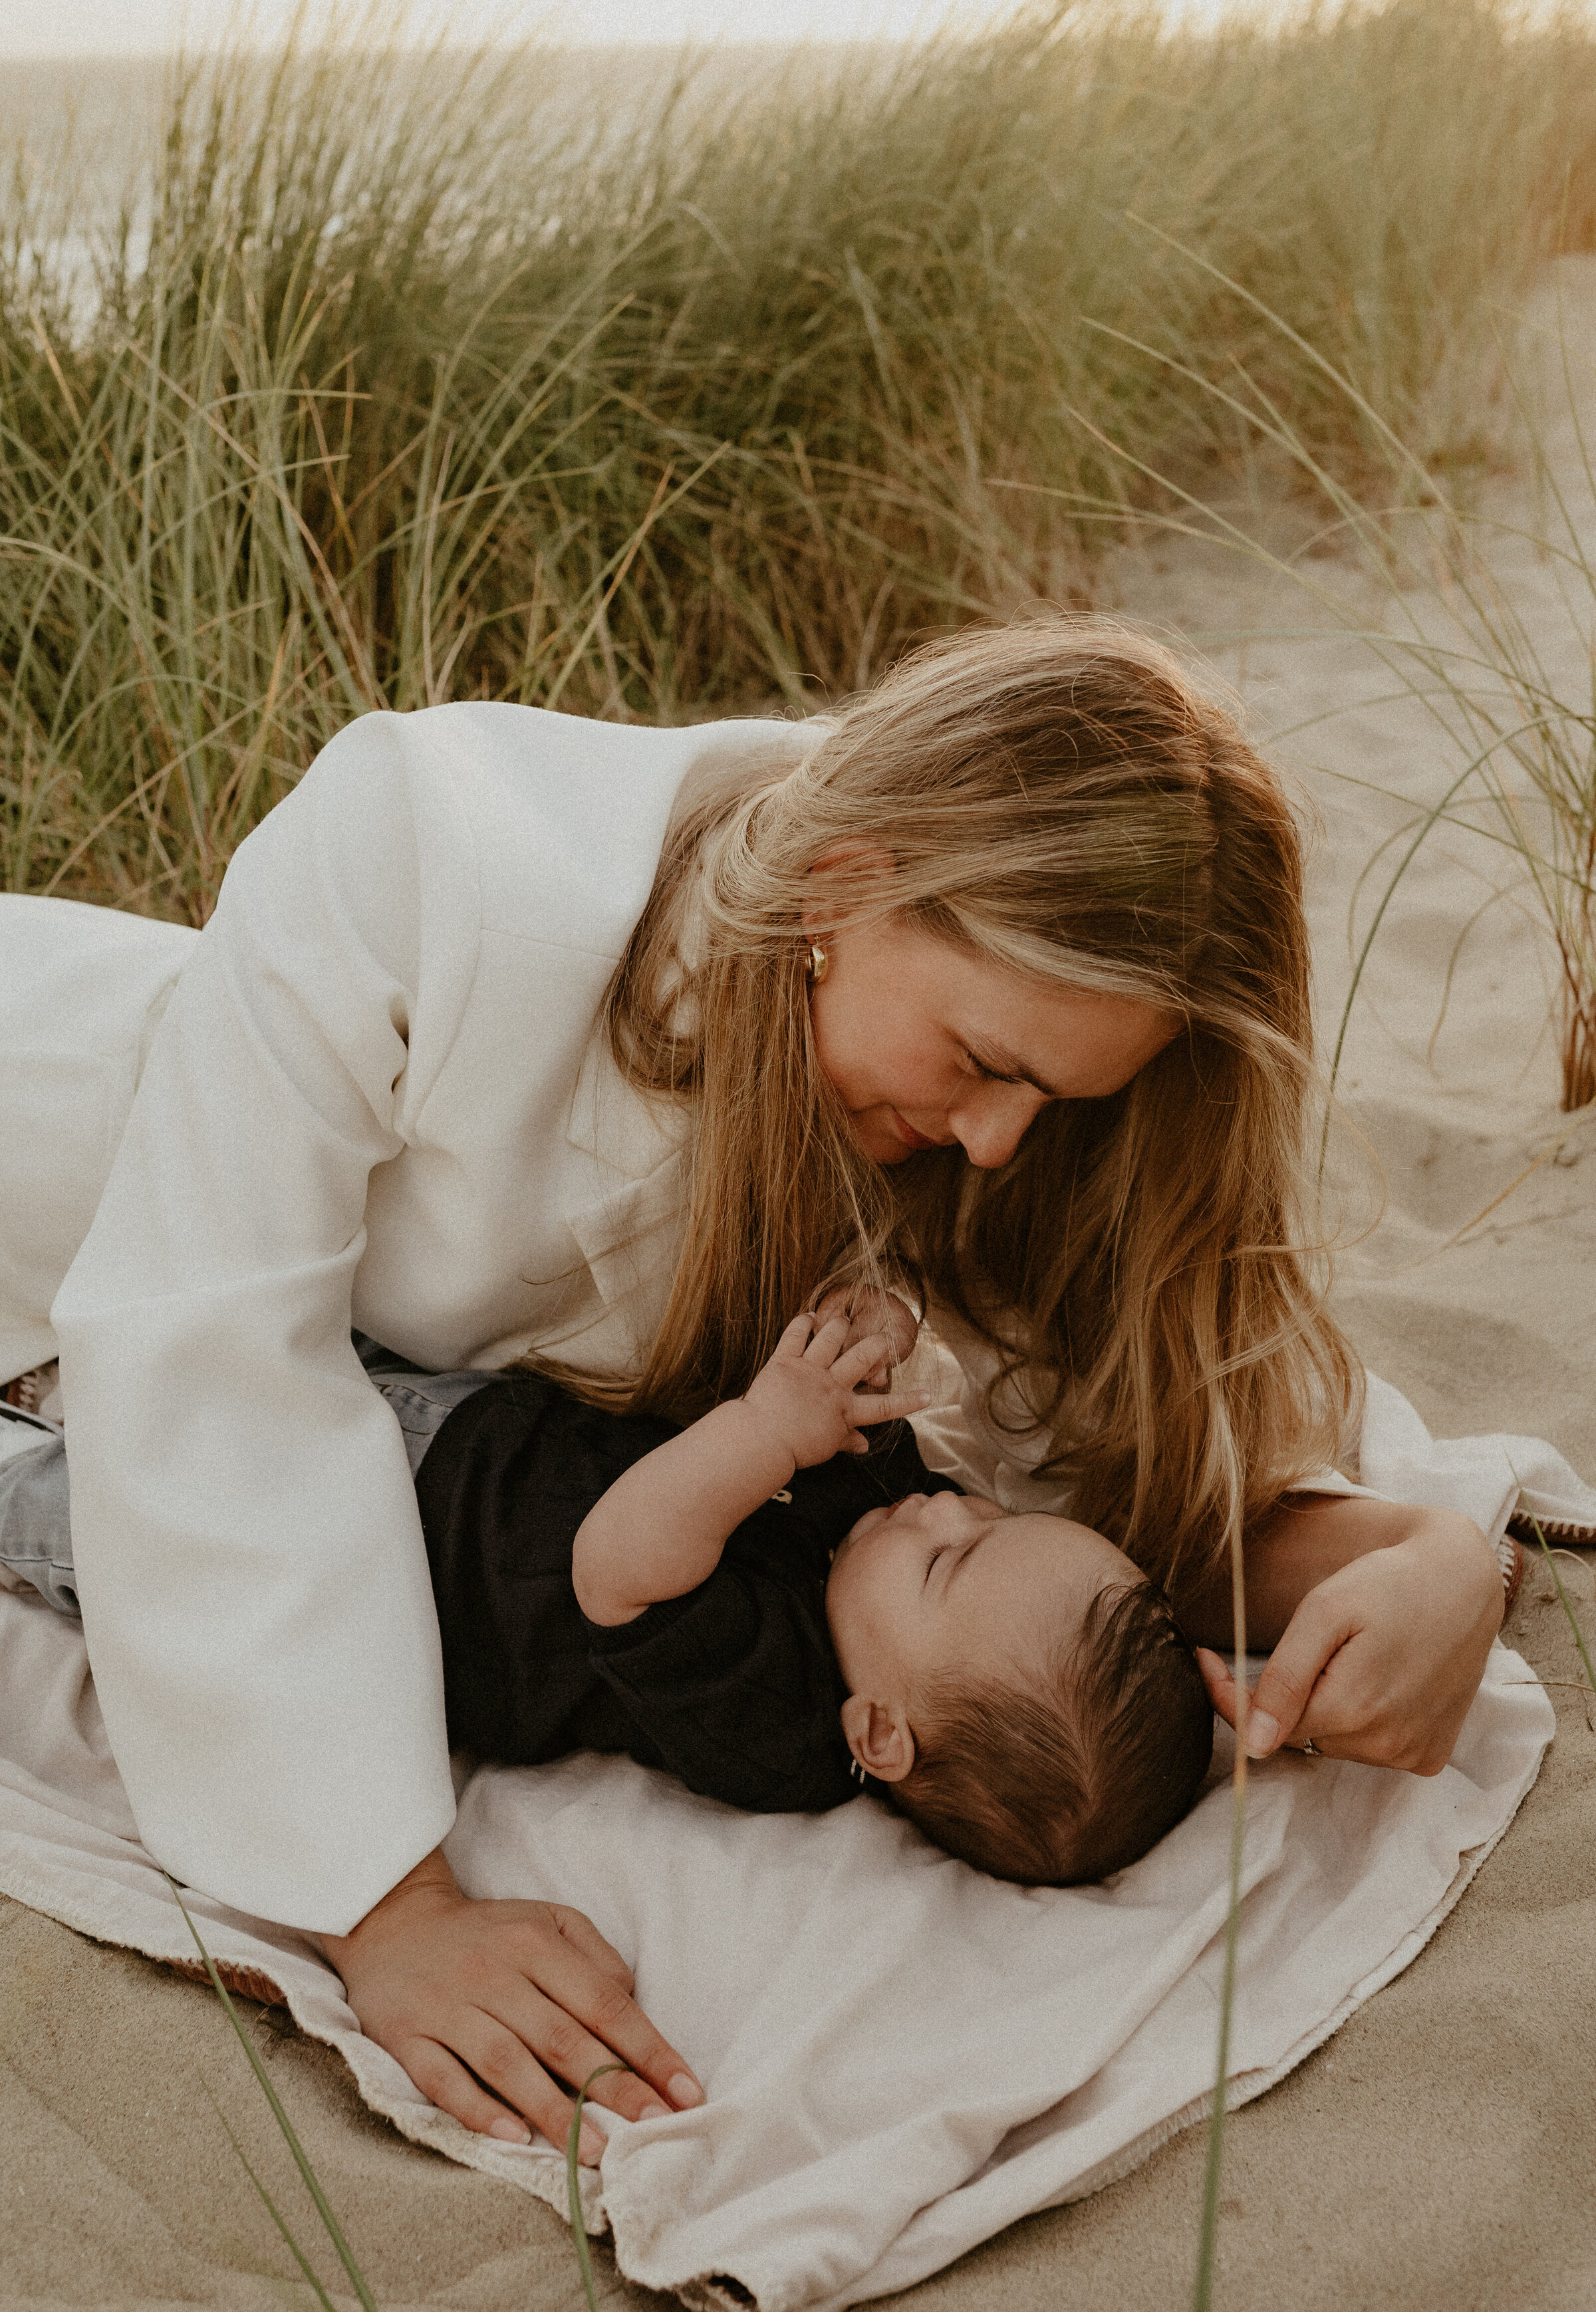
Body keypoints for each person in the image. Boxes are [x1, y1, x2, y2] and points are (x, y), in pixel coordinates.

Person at [0, 617, 1504, 2159]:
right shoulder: (437, 855)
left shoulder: (946, 1118)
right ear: (850, 881)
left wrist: (1437, 1561)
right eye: (987, 1063)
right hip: (46, 1203)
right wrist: (391, 1909)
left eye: (1051, 1101)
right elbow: (211, 1353)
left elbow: (1087, 1487)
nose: (998, 1141)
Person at [1, 1308, 1217, 1886]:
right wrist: (857, 1361)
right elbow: (863, 1452)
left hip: (362, 1556)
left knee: (109, 1518)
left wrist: (765, 1431)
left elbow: (620, 1564)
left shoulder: (780, 1719)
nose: (948, 1511)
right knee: (185, 1341)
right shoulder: (878, 1564)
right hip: (460, 1429)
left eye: (954, 1558)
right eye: (990, 1516)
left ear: (881, 1733)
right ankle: (80, 1368)